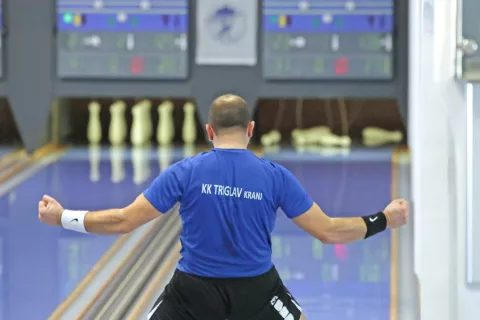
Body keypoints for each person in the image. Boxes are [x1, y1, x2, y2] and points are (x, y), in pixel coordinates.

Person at [38, 94, 409, 320]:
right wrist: (385, 219)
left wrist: (62, 217)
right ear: (250, 129)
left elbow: (122, 220)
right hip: (257, 291)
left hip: (192, 292)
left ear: (209, 130)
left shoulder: (186, 171)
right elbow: (329, 231)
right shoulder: (275, 176)